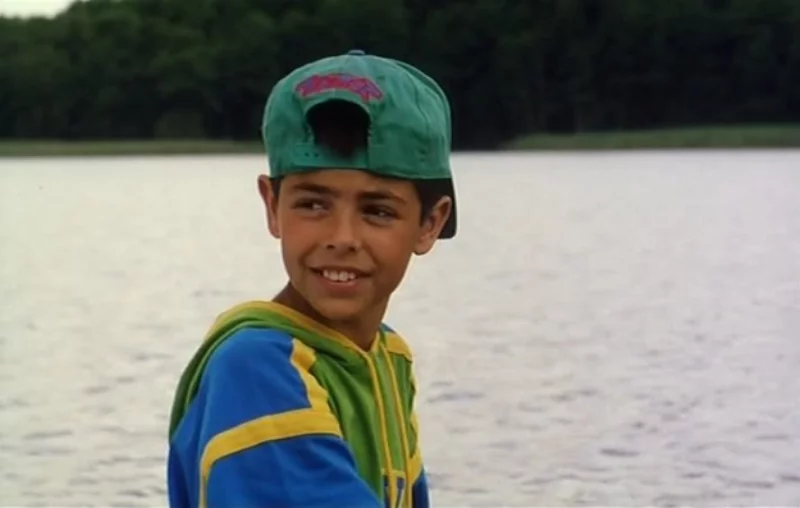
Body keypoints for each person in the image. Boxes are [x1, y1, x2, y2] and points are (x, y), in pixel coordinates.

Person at [165, 49, 458, 508]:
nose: (342, 238)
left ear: (429, 224)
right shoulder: (257, 368)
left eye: (378, 211)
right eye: (313, 204)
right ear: (272, 206)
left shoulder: (387, 357)